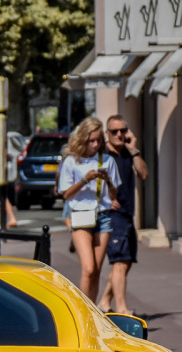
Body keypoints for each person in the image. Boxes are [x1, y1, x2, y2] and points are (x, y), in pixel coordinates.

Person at [58, 118, 121, 301]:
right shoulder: (71, 162)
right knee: (89, 268)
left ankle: (91, 313)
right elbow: (67, 194)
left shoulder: (107, 160)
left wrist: (108, 180)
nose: (95, 145)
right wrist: (85, 179)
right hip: (80, 216)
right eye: (91, 141)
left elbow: (114, 194)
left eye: (98, 141)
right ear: (83, 139)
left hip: (103, 216)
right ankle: (82, 313)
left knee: (97, 271)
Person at [98, 114, 148, 313]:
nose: (119, 134)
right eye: (114, 131)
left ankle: (104, 302)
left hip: (127, 213)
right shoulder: (103, 156)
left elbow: (144, 174)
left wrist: (134, 149)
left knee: (126, 261)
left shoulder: (128, 153)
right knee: (119, 261)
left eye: (123, 131)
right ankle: (122, 309)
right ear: (107, 133)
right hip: (113, 215)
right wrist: (105, 200)